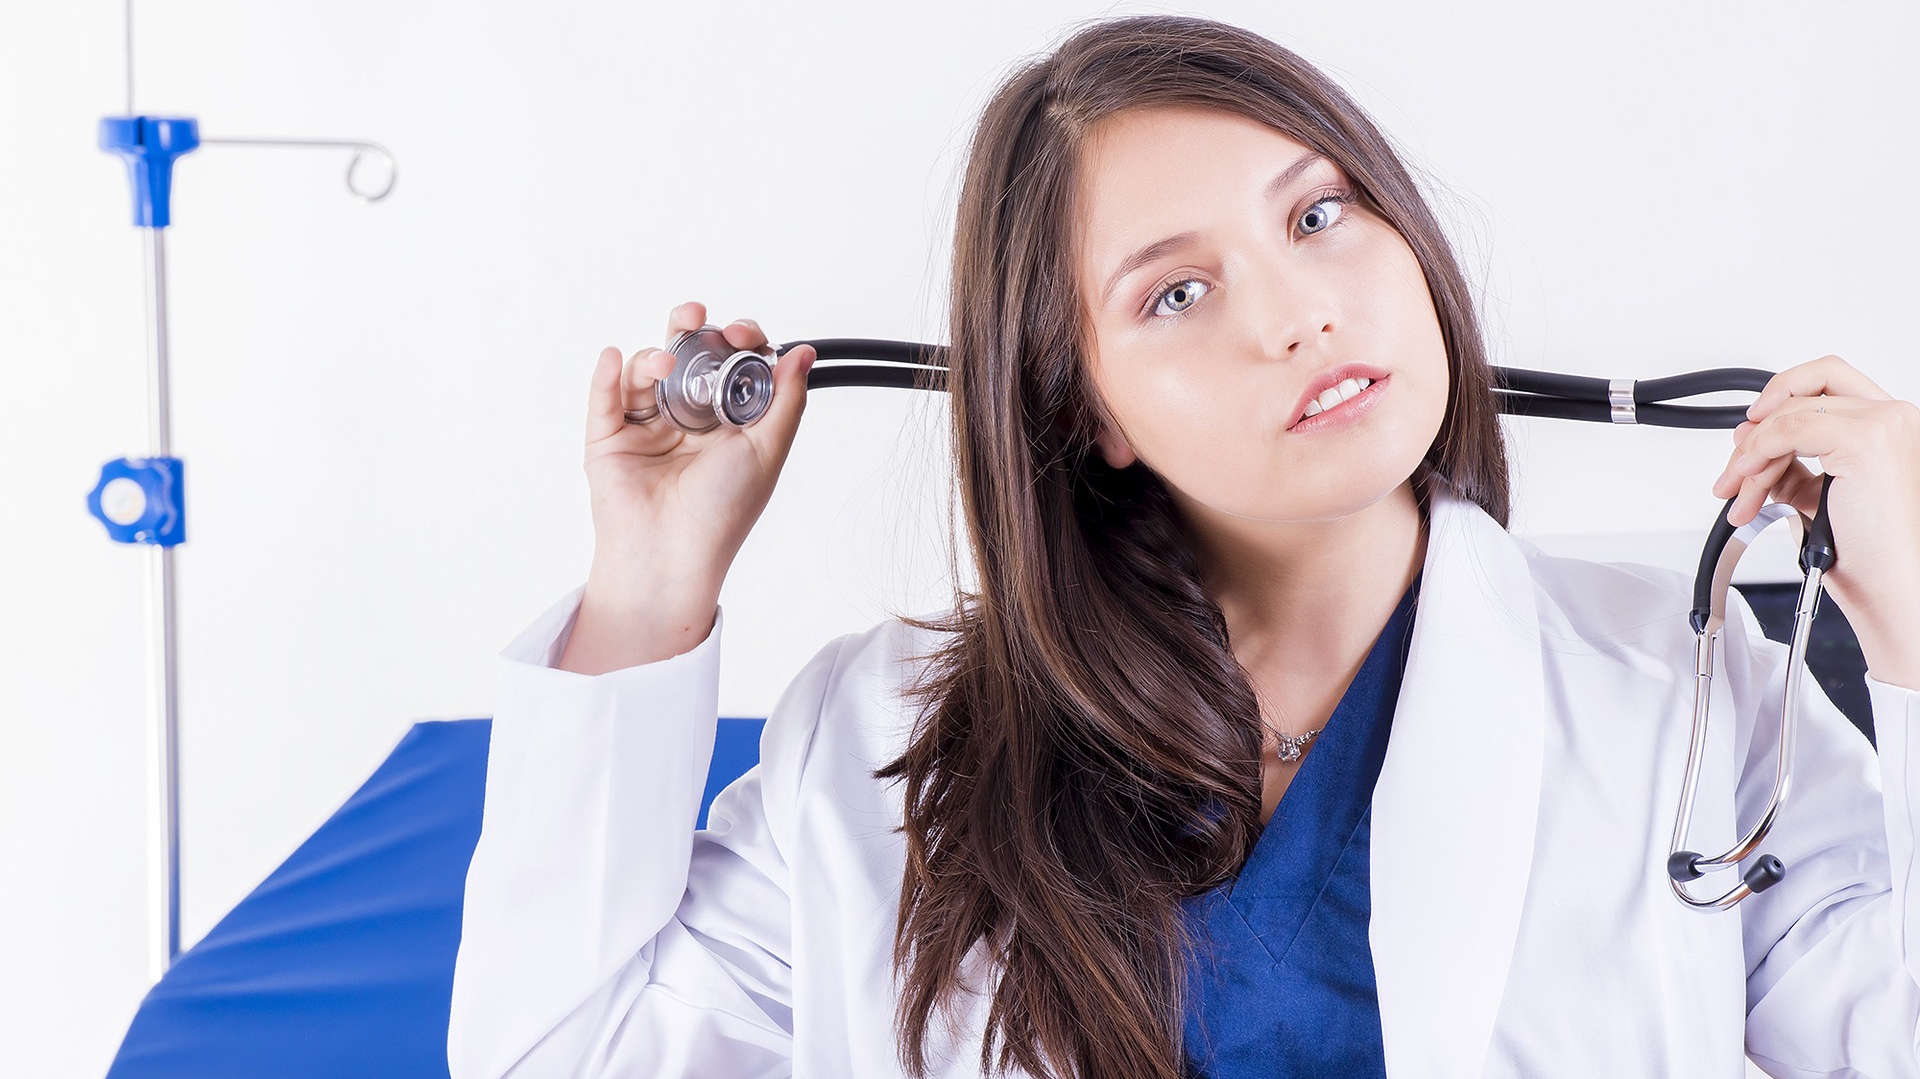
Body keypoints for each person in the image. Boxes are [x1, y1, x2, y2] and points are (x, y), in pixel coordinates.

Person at [448, 14, 1920, 1078]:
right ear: (1085, 411)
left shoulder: (1677, 685)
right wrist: (651, 583)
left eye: (1321, 214)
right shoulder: (884, 740)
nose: (1297, 312)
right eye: (1176, 293)